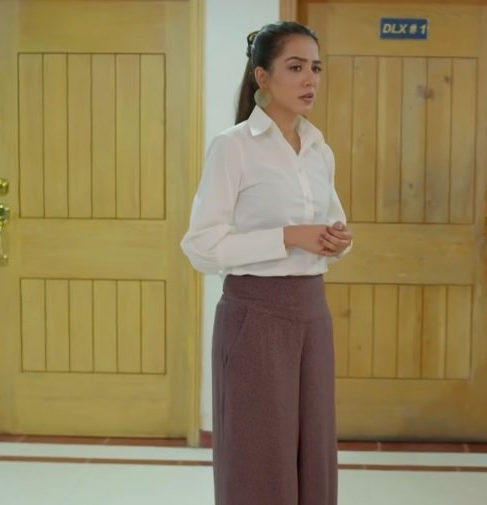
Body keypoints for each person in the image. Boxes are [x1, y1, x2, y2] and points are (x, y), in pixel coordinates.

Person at [180, 20, 352, 505]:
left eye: (316, 68)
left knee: (313, 453)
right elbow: (201, 246)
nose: (310, 79)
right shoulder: (233, 147)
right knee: (258, 458)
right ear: (263, 77)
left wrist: (338, 240)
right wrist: (289, 237)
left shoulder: (319, 149)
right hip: (255, 318)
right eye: (295, 67)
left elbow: (331, 225)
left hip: (312, 314)